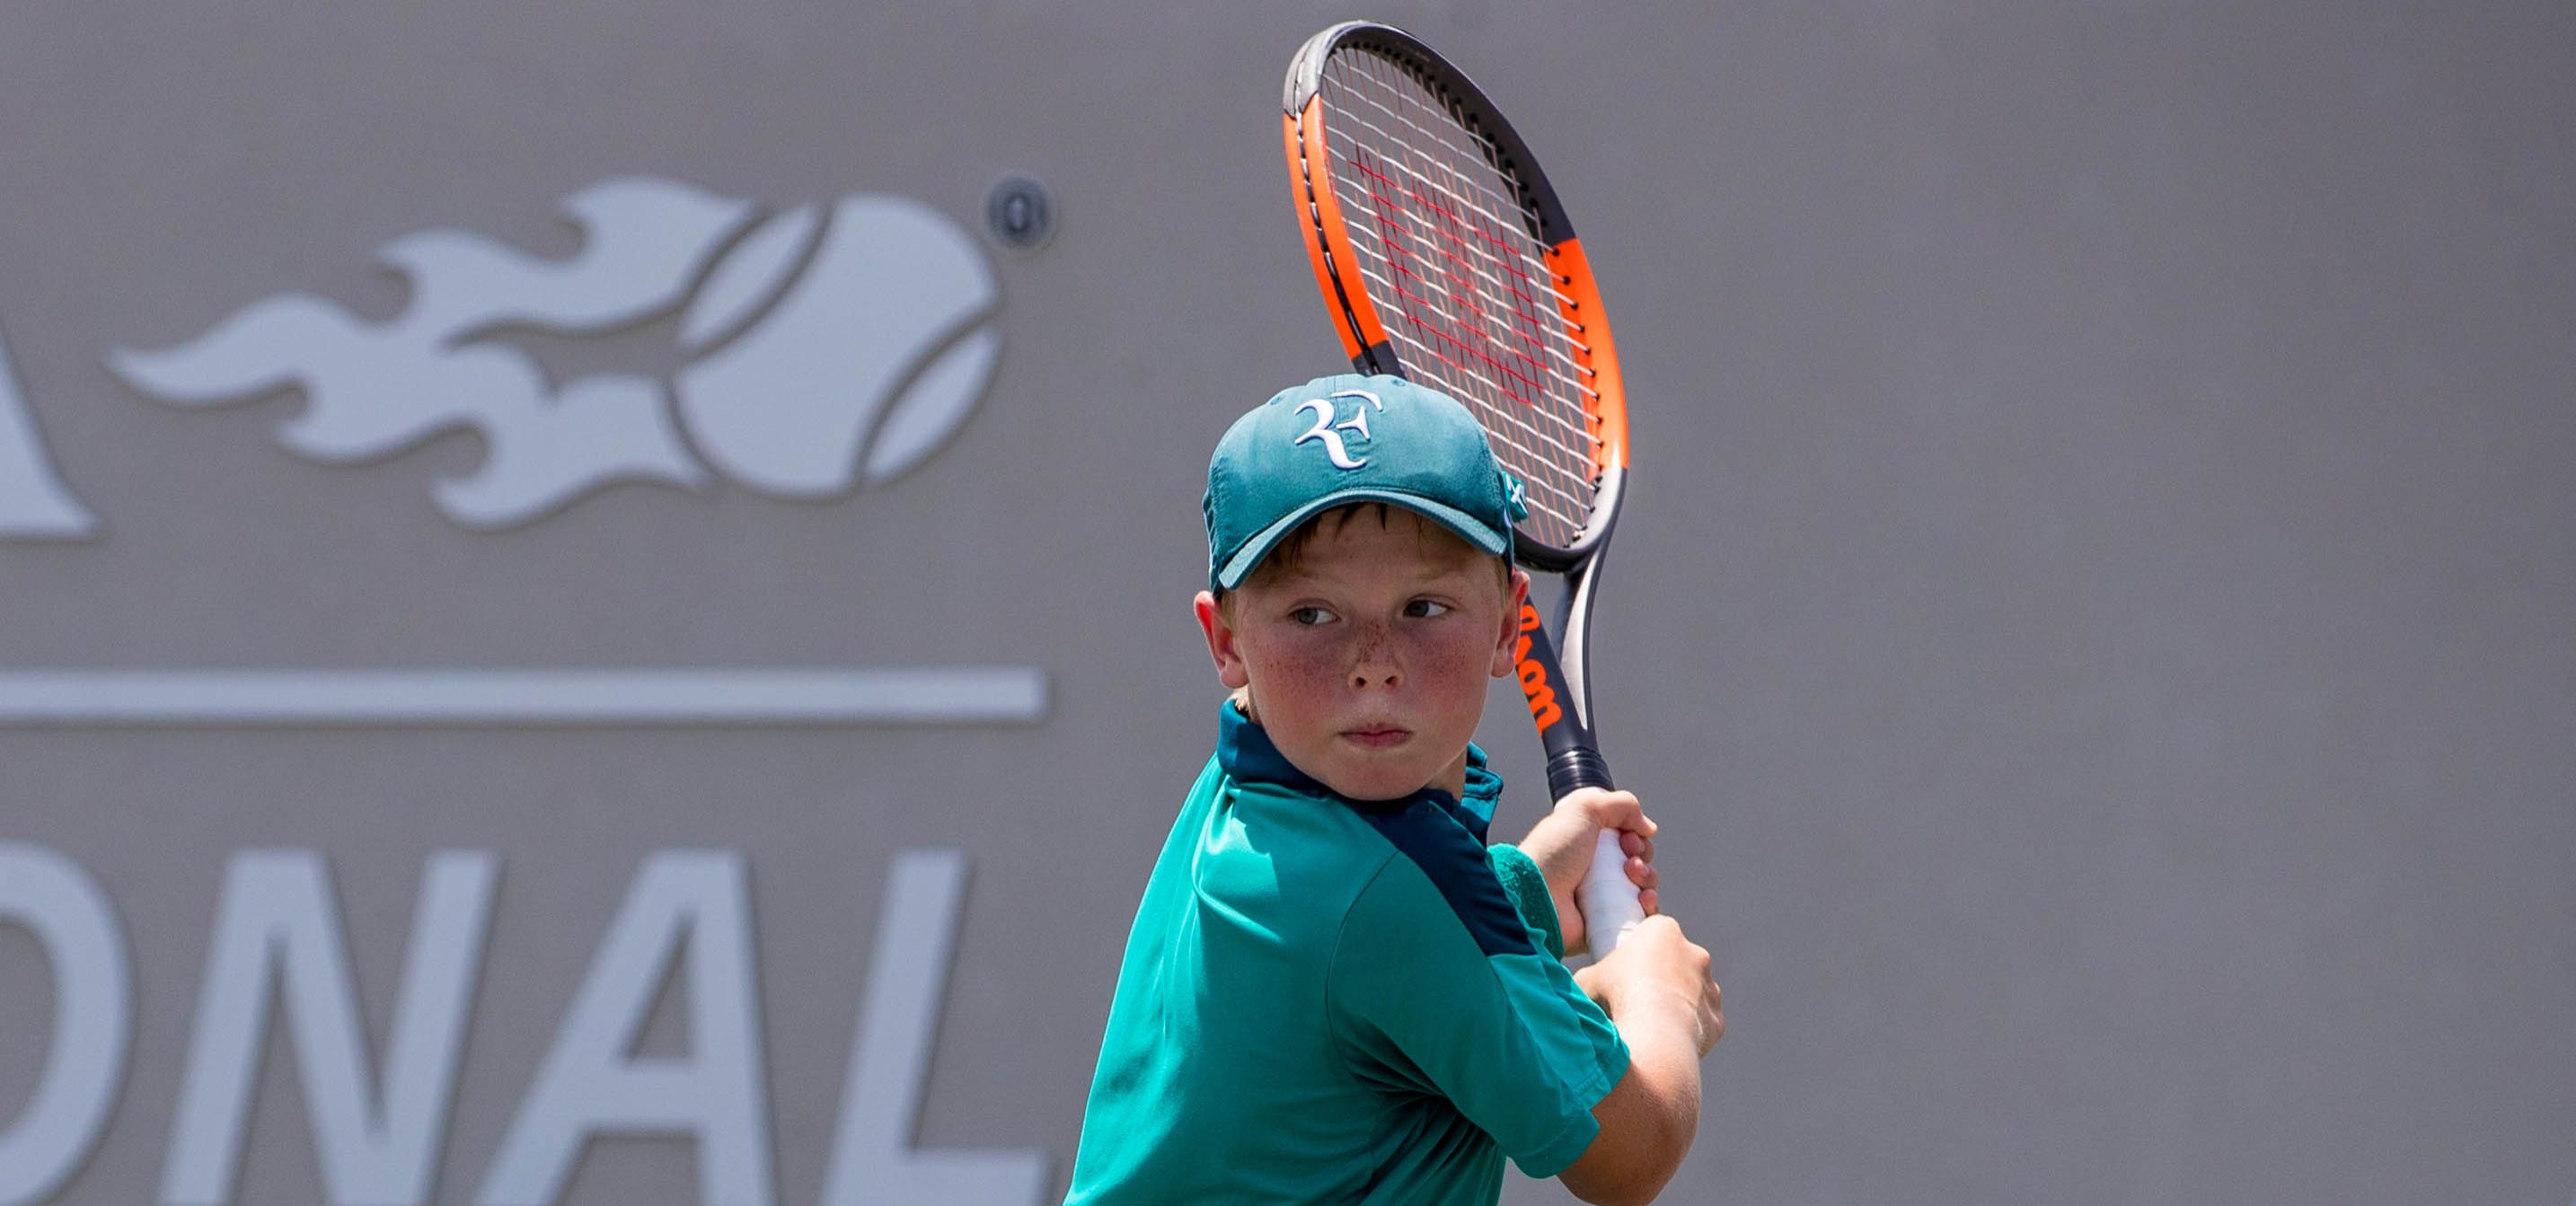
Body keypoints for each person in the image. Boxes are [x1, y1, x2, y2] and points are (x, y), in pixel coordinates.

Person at [1063, 374, 1724, 1206]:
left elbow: (1375, 991)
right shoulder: (1413, 905)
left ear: (1510, 625)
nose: (1373, 658)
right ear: (1226, 639)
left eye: (1422, 605)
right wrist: (1659, 999)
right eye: (1313, 614)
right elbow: (1633, 1155)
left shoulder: (1244, 787)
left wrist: (1517, 885)